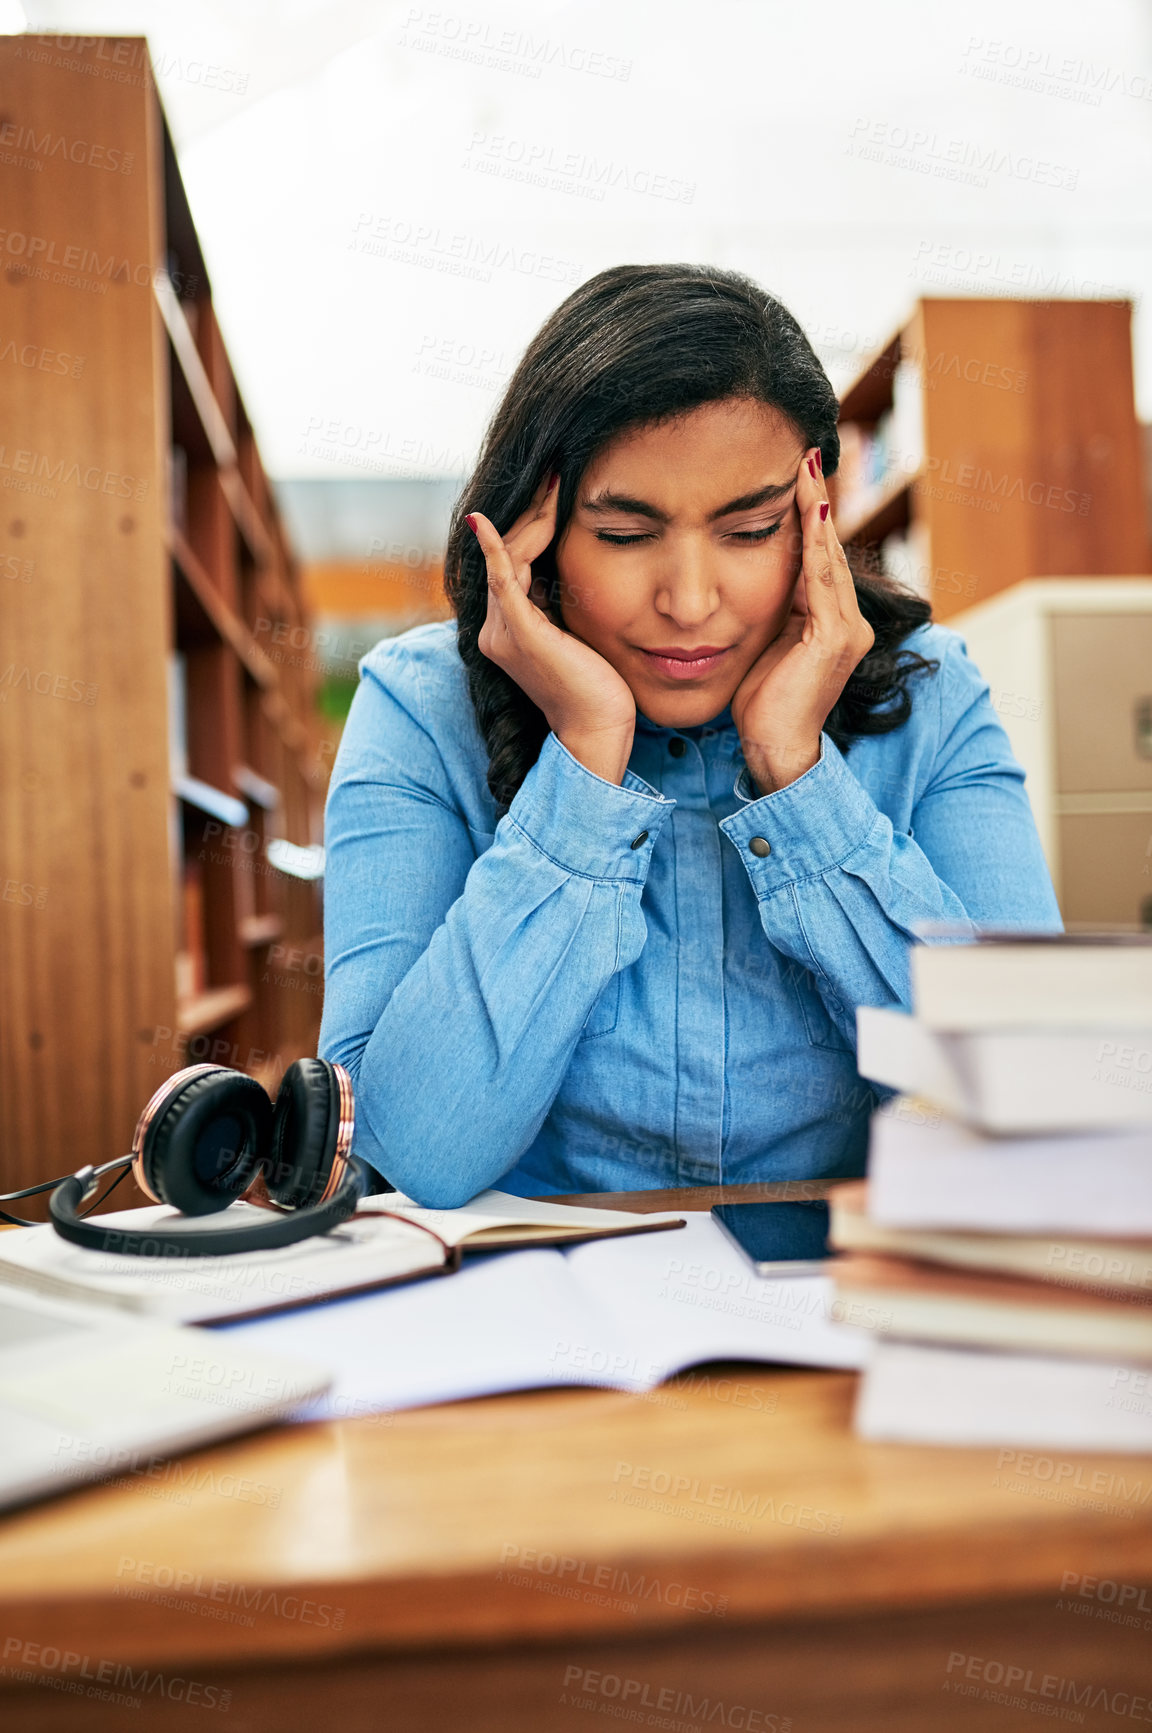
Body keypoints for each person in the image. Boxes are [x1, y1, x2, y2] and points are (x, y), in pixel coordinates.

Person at [318, 264, 1061, 1208]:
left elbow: (1032, 1108)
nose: (691, 602)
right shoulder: (419, 711)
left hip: (846, 1320)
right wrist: (586, 758)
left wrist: (803, 784)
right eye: (626, 535)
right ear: (531, 538)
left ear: (813, 518)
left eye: (750, 529)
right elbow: (410, 1152)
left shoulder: (932, 695)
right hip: (542, 1331)